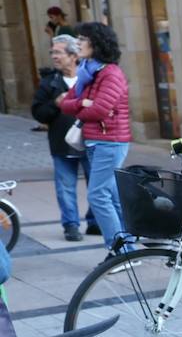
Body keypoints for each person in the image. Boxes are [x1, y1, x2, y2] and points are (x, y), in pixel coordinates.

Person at [58, 23, 131, 258]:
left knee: (97, 195)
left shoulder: (111, 73)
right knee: (111, 196)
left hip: (110, 142)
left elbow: (98, 111)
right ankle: (128, 249)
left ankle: (118, 251)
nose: (77, 43)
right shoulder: (87, 71)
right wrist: (82, 104)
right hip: (95, 141)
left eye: (82, 39)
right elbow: (64, 104)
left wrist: (81, 106)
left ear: (96, 43)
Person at [32, 34, 97, 242]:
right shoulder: (49, 82)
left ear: (73, 55)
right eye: (52, 52)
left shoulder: (91, 77)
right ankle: (71, 225)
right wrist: (55, 104)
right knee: (65, 187)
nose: (54, 56)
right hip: (62, 143)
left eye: (58, 52)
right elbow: (38, 112)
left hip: (91, 141)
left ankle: (95, 222)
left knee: (96, 185)